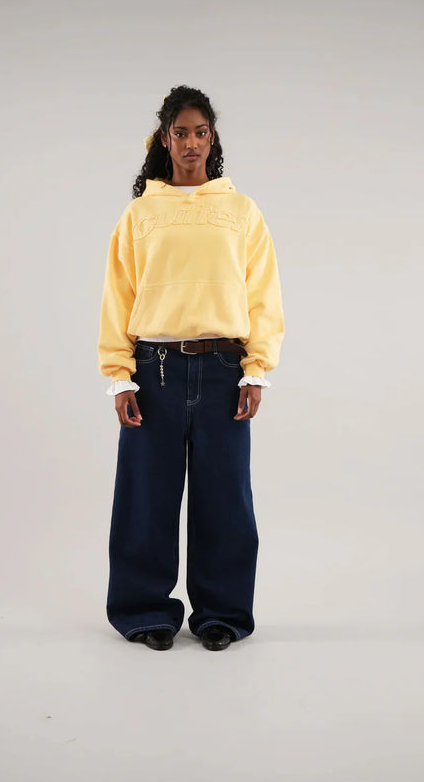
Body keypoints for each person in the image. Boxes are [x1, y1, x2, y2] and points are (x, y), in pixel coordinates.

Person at [97, 85, 285, 652]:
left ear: (212, 138)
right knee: (146, 496)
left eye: (201, 132)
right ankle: (143, 610)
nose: (191, 143)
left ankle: (221, 612)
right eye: (180, 132)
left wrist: (255, 369)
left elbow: (262, 294)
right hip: (153, 370)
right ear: (164, 139)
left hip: (224, 369)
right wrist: (119, 375)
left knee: (225, 497)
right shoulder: (141, 214)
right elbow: (118, 297)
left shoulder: (240, 211)